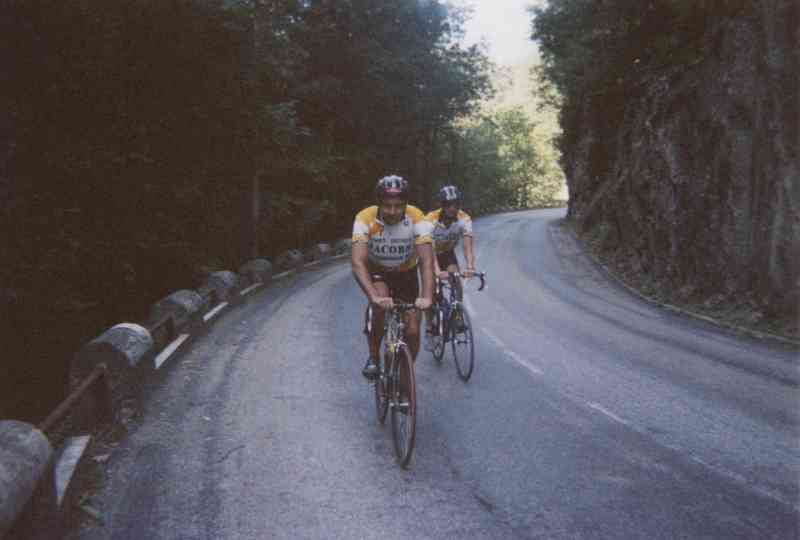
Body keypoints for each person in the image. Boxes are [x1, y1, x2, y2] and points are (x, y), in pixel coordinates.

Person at [351, 175, 434, 381]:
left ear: (405, 204)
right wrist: (373, 297)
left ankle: (405, 375)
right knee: (379, 305)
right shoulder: (365, 217)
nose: (393, 211)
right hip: (378, 271)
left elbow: (426, 261)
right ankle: (373, 357)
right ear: (379, 203)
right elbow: (358, 262)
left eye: (398, 206)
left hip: (406, 273)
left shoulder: (417, 217)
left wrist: (427, 297)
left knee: (413, 330)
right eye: (387, 206)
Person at [424, 185, 475, 345]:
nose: (452, 208)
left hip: (447, 254)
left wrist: (470, 267)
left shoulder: (464, 219)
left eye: (456, 204)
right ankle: (429, 329)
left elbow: (467, 247)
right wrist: (438, 272)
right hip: (429, 254)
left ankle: (458, 316)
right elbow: (429, 250)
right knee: (430, 291)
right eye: (448, 204)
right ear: (442, 205)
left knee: (456, 280)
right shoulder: (430, 220)